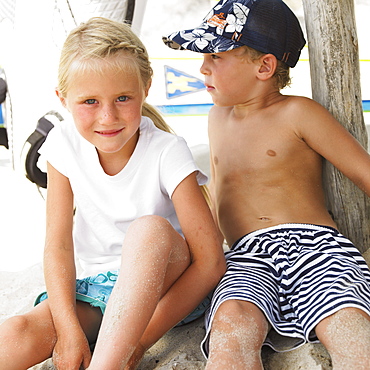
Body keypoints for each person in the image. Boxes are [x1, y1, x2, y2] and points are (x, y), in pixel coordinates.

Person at [0, 17, 226, 370]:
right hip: (95, 288)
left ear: (145, 87)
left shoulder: (167, 151)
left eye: (123, 98)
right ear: (63, 99)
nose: (107, 117)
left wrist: (140, 341)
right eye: (89, 101)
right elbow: (58, 245)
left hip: (162, 286)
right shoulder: (62, 144)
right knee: (15, 334)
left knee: (147, 230)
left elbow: (210, 262)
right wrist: (69, 331)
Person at [163, 0, 370, 368]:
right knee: (231, 330)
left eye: (215, 55)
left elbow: (365, 173)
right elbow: (221, 193)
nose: (203, 66)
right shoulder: (216, 118)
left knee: (350, 329)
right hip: (244, 256)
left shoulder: (299, 113)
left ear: (264, 65)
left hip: (316, 250)